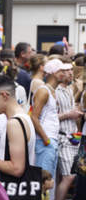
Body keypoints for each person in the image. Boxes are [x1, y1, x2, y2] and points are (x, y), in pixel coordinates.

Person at [30, 58, 68, 192]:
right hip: (45, 141)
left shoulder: (52, 91)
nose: (65, 73)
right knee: (43, 182)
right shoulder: (43, 91)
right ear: (52, 73)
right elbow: (34, 117)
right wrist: (46, 139)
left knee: (48, 182)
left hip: (50, 140)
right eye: (61, 71)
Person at [53, 62, 82, 200]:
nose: (70, 73)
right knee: (68, 176)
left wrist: (76, 111)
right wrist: (69, 114)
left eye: (71, 70)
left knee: (64, 176)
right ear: (58, 73)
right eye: (66, 70)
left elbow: (70, 110)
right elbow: (50, 117)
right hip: (62, 138)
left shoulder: (69, 89)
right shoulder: (55, 91)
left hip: (72, 138)